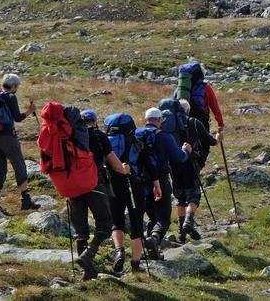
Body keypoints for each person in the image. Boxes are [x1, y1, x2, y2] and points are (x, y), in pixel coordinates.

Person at [67, 109, 127, 280]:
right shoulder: (99, 135)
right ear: (93, 121)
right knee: (105, 223)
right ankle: (88, 255)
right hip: (94, 182)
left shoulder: (69, 136)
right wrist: (124, 170)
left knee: (80, 230)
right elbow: (115, 164)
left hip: (72, 184)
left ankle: (87, 271)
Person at [103, 112, 155, 275]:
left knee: (116, 221)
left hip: (113, 185)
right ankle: (135, 264)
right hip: (134, 185)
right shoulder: (136, 143)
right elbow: (149, 165)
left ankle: (119, 251)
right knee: (136, 222)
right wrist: (156, 184)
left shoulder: (107, 143)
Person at [138, 107, 192, 259]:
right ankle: (154, 240)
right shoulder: (164, 136)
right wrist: (186, 150)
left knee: (152, 216)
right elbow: (179, 157)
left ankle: (148, 251)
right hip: (160, 180)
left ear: (145, 119)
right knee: (163, 219)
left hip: (140, 181)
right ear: (160, 120)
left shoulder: (136, 134)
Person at [0, 74, 39, 212]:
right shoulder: (10, 97)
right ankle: (25, 199)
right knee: (19, 165)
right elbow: (17, 118)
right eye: (18, 86)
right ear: (15, 86)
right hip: (7, 137)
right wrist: (30, 111)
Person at [166, 99, 209, 243]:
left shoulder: (168, 125)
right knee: (193, 196)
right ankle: (189, 222)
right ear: (188, 110)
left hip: (174, 164)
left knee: (180, 197)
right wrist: (217, 138)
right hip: (191, 163)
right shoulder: (194, 122)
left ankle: (181, 234)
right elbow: (209, 140)